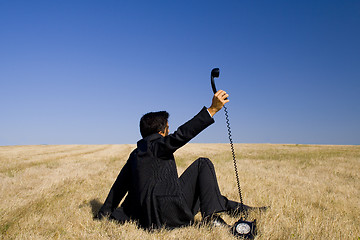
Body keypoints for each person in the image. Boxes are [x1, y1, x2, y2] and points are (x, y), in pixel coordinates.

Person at [96, 90, 252, 229]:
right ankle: (211, 219)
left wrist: (103, 214)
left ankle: (246, 209)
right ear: (161, 131)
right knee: (202, 163)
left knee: (207, 193)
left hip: (146, 218)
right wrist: (212, 110)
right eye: (168, 128)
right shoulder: (157, 145)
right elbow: (182, 134)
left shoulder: (135, 155)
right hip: (168, 215)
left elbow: (118, 188)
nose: (169, 131)